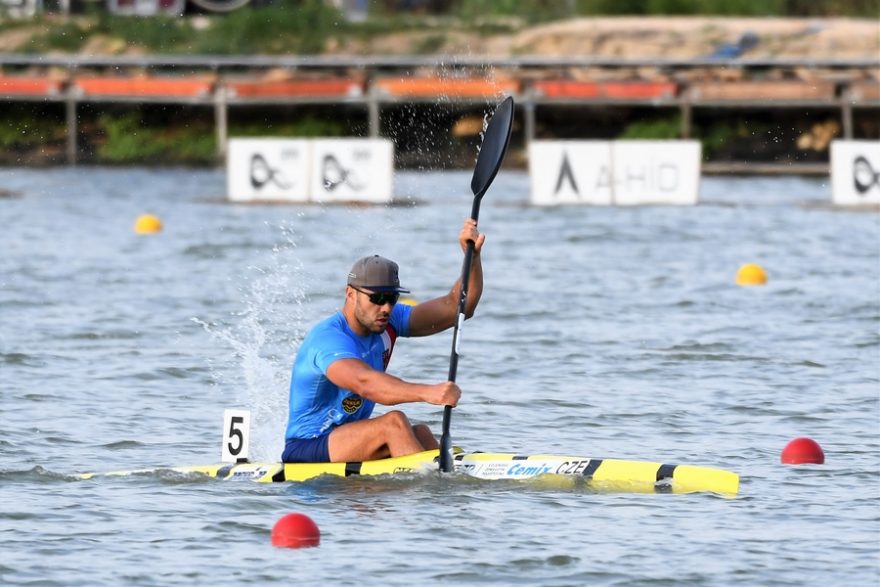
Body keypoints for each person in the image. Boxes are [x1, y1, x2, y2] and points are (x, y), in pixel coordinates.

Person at [282, 218, 485, 463]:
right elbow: (366, 383)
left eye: (391, 298)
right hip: (307, 447)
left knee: (420, 432)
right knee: (394, 423)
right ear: (350, 294)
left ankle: (442, 488)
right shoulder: (328, 339)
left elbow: (456, 307)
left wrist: (471, 258)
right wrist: (428, 392)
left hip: (347, 441)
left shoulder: (389, 320)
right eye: (377, 298)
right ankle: (428, 489)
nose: (386, 307)